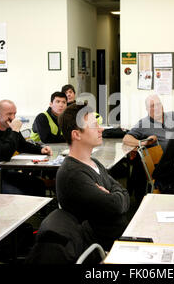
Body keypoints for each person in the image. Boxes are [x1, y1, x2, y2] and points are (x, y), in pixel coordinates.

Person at [56, 103, 130, 251]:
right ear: (76, 134)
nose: (101, 129)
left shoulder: (93, 162)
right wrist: (115, 197)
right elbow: (116, 205)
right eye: (94, 126)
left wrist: (114, 196)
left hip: (119, 239)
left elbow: (124, 193)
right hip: (103, 250)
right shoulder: (73, 174)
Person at [122, 94, 174, 202]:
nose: (156, 108)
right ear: (146, 109)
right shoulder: (143, 123)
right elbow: (126, 139)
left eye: (158, 104)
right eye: (152, 106)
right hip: (167, 167)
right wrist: (144, 143)